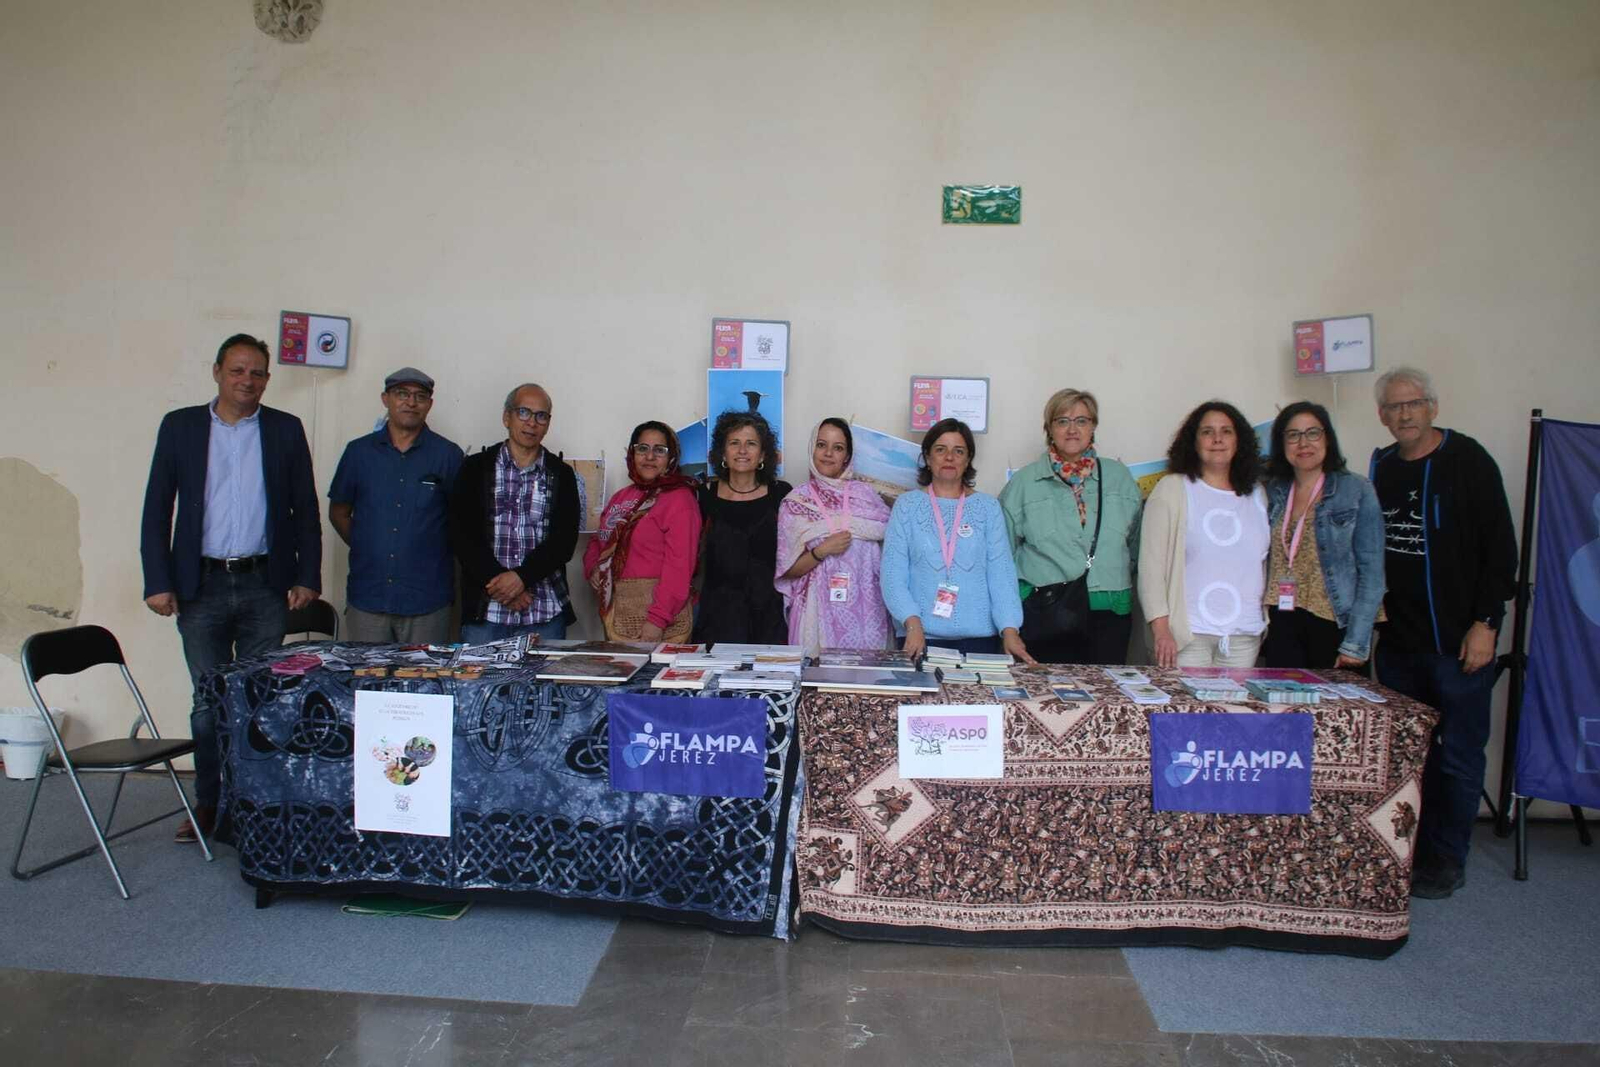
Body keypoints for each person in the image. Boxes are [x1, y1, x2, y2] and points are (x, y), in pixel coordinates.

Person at [140, 333, 321, 841]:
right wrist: (158, 580)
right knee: (208, 703)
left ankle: (256, 805)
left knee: (261, 699)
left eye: (258, 372)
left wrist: (307, 575)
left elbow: (305, 508)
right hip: (201, 585)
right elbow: (158, 508)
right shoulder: (181, 427)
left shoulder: (285, 429)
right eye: (238, 370)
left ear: (268, 378)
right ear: (217, 371)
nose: (248, 381)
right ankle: (209, 806)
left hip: (266, 585)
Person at [1369, 366, 1516, 899]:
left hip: (1459, 643)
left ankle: (1447, 859)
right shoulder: (1382, 466)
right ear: (1381, 415)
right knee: (1409, 755)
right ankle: (1408, 852)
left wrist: (1487, 622)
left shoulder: (1467, 461)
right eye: (1393, 407)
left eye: (1412, 404)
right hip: (1400, 645)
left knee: (1457, 756)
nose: (1403, 414)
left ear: (1432, 406)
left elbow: (1500, 549)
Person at [999, 388, 1143, 664]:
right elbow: (1001, 556)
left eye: (1082, 421)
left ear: (1093, 427)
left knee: (1106, 698)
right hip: (1046, 613)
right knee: (1045, 699)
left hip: (1110, 612)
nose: (1072, 429)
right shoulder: (1023, 484)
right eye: (1062, 421)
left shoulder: (1120, 478)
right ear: (1049, 429)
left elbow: (1136, 548)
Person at [327, 367, 464, 644]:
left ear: (429, 404)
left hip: (427, 600)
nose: (411, 402)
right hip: (369, 596)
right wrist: (369, 545)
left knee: (425, 684)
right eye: (402, 393)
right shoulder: (358, 453)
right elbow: (339, 511)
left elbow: (460, 524)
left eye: (420, 396)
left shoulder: (448, 455)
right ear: (385, 398)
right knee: (366, 682)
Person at [880, 418, 1033, 662]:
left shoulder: (988, 508)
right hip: (919, 637)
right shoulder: (906, 506)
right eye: (941, 450)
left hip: (981, 641)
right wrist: (911, 623)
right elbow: (892, 575)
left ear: (968, 459)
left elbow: (1001, 576)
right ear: (928, 458)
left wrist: (1010, 629)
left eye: (958, 451)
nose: (949, 457)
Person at [1138, 401, 1268, 669]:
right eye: (1207, 431)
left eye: (1226, 431)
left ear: (1239, 440)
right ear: (1193, 442)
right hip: (1186, 637)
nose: (1217, 439)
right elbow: (1151, 567)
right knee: (1187, 711)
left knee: (1235, 711)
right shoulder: (1172, 489)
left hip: (1244, 636)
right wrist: (1161, 630)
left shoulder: (1257, 494)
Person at [449, 383, 581, 644]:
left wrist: (522, 578)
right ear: (506, 417)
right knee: (478, 686)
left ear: (548, 423)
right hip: (486, 615)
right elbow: (462, 534)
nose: (532, 422)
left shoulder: (561, 474)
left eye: (541, 416)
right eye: (523, 412)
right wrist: (505, 587)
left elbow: (564, 542)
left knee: (542, 687)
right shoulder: (475, 468)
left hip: (544, 617)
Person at [1260, 401, 1385, 669]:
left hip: (1335, 622)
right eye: (1293, 435)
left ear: (1327, 438)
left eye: (1312, 433)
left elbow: (1372, 573)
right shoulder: (1273, 491)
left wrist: (1356, 642)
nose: (1303, 443)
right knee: (1287, 709)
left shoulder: (1356, 489)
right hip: (1283, 621)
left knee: (1335, 710)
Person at [775, 418, 893, 656]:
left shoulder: (868, 496)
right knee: (819, 687)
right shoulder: (796, 502)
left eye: (837, 448)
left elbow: (894, 543)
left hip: (868, 610)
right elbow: (787, 570)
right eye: (821, 445)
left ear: (847, 456)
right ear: (812, 449)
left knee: (867, 685)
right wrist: (822, 550)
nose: (828, 454)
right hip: (815, 613)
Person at [583, 421, 702, 641]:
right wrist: (592, 568)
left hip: (657, 617)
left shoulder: (679, 500)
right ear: (632, 453)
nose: (649, 457)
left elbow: (680, 566)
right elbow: (597, 540)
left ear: (671, 458)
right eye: (642, 449)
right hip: (619, 608)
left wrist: (657, 620)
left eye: (659, 450)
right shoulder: (621, 496)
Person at [692, 411, 793, 644]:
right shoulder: (704, 495)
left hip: (770, 615)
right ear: (722, 453)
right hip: (716, 617)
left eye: (751, 444)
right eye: (734, 443)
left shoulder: (782, 494)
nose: (742, 450)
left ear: (763, 455)